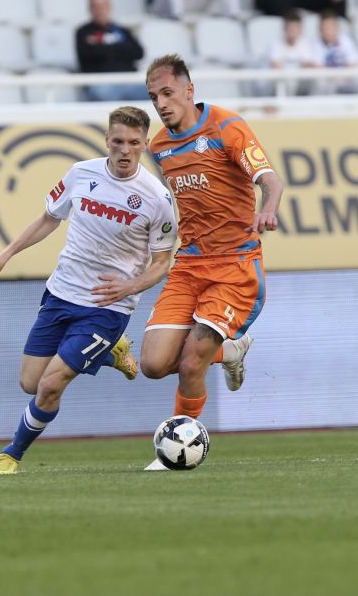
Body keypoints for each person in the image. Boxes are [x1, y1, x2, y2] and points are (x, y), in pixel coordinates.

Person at [0, 106, 177, 475]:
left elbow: (162, 262)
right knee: (30, 383)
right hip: (61, 294)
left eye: (134, 143)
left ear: (145, 144)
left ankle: (12, 454)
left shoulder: (157, 199)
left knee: (51, 386)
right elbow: (48, 219)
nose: (124, 150)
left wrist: (130, 286)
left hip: (107, 307)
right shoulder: (80, 173)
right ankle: (109, 355)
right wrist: (4, 255)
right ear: (106, 140)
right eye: (117, 141)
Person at [141, 54, 284, 470]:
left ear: (189, 90)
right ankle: (231, 351)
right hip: (189, 266)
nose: (162, 104)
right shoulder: (159, 146)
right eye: (154, 97)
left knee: (190, 361)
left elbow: (270, 179)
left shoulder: (227, 126)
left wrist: (268, 208)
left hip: (235, 266)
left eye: (168, 93)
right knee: (153, 365)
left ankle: (176, 450)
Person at [75, 0, 150, 102]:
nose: (101, 10)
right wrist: (120, 48)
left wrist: (104, 48)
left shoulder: (122, 30)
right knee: (104, 93)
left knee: (157, 92)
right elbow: (87, 55)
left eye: (104, 5)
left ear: (109, 7)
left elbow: (138, 52)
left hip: (129, 81)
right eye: (96, 6)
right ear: (90, 9)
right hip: (101, 83)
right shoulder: (83, 32)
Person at [264, 8, 320, 96]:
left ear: (301, 29)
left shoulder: (306, 44)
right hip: (280, 85)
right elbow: (275, 65)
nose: (293, 31)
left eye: (296, 28)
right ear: (285, 28)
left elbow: (309, 64)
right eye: (291, 28)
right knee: (283, 81)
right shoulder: (276, 45)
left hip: (298, 84)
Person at [318, 9, 358, 94]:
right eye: (325, 28)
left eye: (330, 27)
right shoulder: (316, 44)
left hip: (346, 81)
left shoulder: (346, 41)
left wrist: (339, 78)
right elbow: (319, 68)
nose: (328, 31)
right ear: (321, 29)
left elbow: (352, 64)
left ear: (337, 27)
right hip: (327, 84)